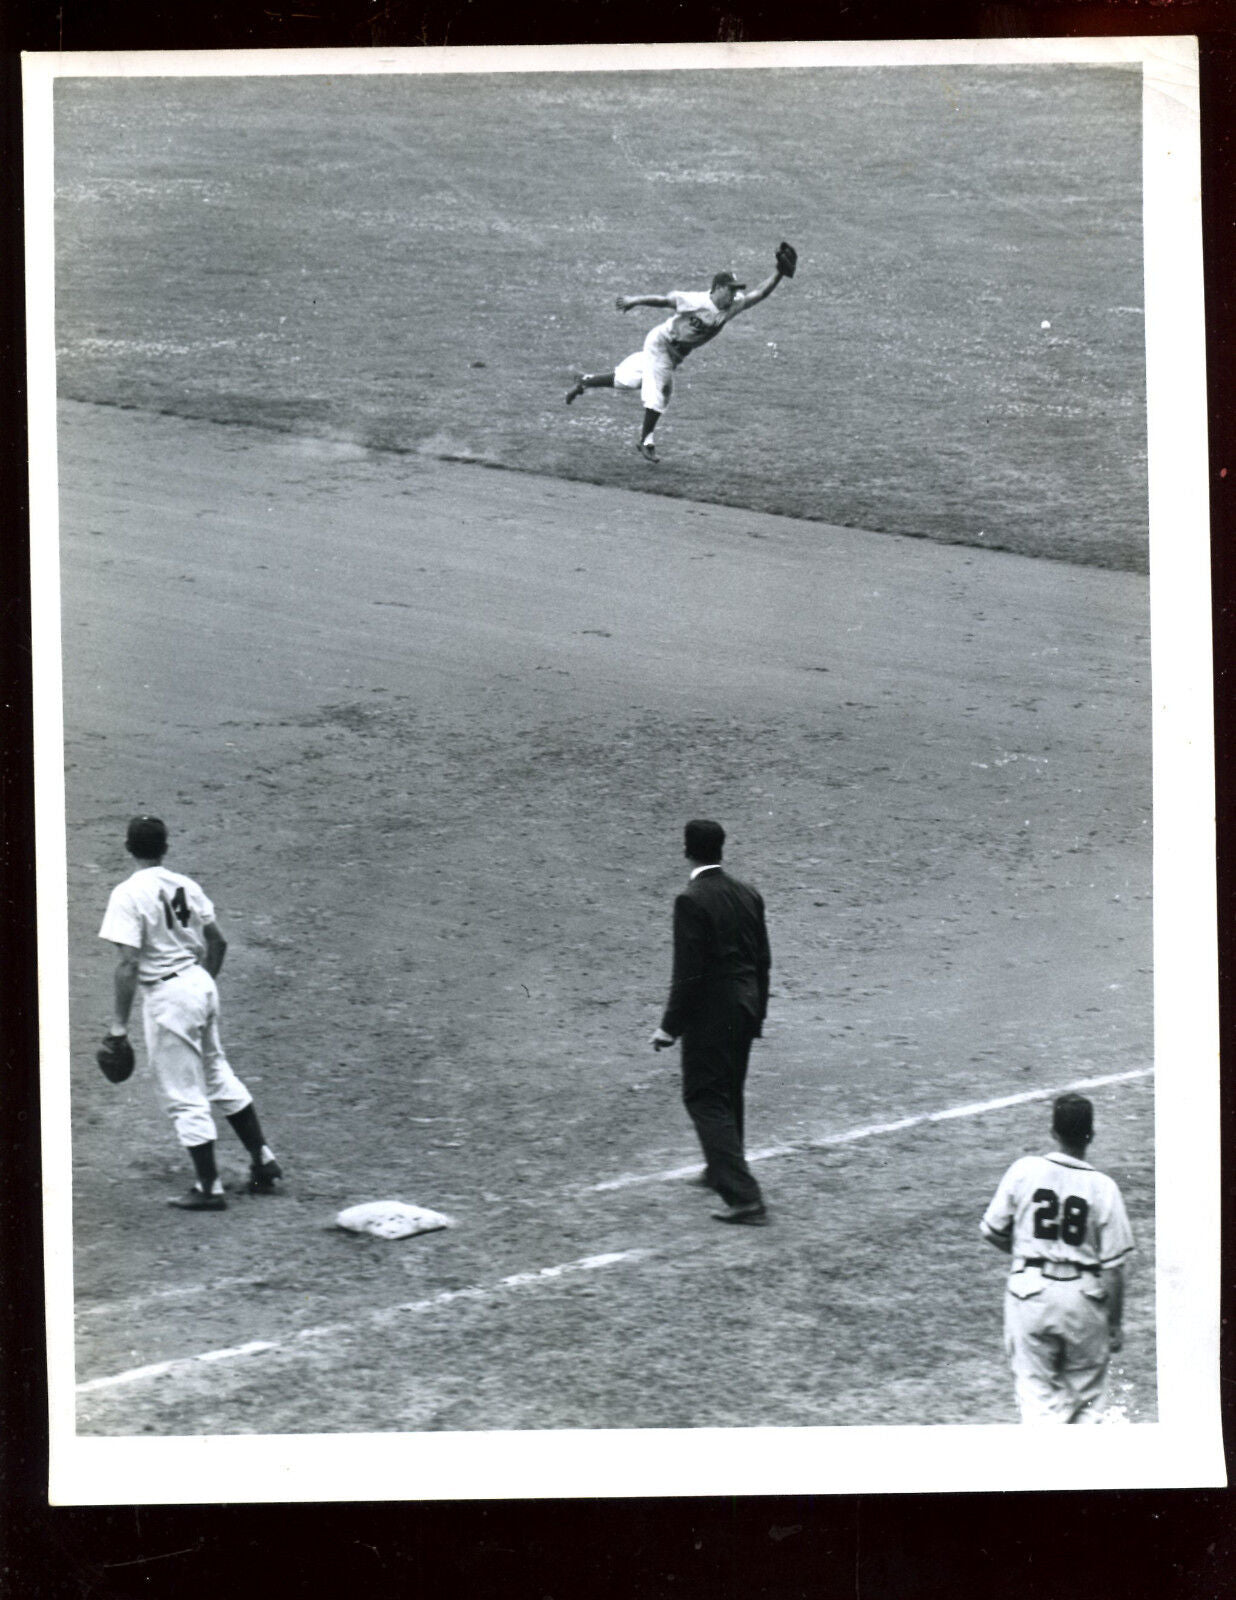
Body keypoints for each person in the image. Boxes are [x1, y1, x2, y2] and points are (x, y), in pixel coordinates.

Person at [98, 815, 283, 1212]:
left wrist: (117, 1027)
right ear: (165, 847)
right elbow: (218, 942)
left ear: (129, 848)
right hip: (199, 984)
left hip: (169, 996)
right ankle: (264, 1161)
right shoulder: (186, 884)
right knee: (216, 1074)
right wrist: (204, 984)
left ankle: (208, 1188)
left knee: (183, 1092)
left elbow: (128, 963)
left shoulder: (127, 894)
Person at [980, 1093, 1134, 1423]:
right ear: (1090, 1135)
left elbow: (992, 1230)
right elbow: (1114, 1269)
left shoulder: (1024, 1170)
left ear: (1053, 1132)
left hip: (1029, 1293)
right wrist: (1115, 1325)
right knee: (1087, 1407)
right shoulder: (1103, 1187)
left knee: (1036, 1400)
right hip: (1084, 1299)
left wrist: (1028, 1251)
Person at [650, 820, 772, 1225]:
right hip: (745, 1006)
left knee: (704, 1096)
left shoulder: (691, 899)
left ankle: (744, 1196)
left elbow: (688, 971)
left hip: (712, 1014)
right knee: (729, 1089)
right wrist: (758, 1013)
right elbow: (762, 960)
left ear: (687, 849)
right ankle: (718, 1168)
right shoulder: (747, 893)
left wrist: (669, 1026)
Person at [565, 248, 792, 462]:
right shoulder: (696, 300)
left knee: (631, 379)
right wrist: (635, 301)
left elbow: (760, 293)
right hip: (661, 343)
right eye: (730, 289)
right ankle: (646, 441)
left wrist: (778, 273)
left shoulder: (732, 306)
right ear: (719, 287)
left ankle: (585, 381)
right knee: (661, 392)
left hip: (675, 355)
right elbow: (665, 300)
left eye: (735, 290)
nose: (734, 294)